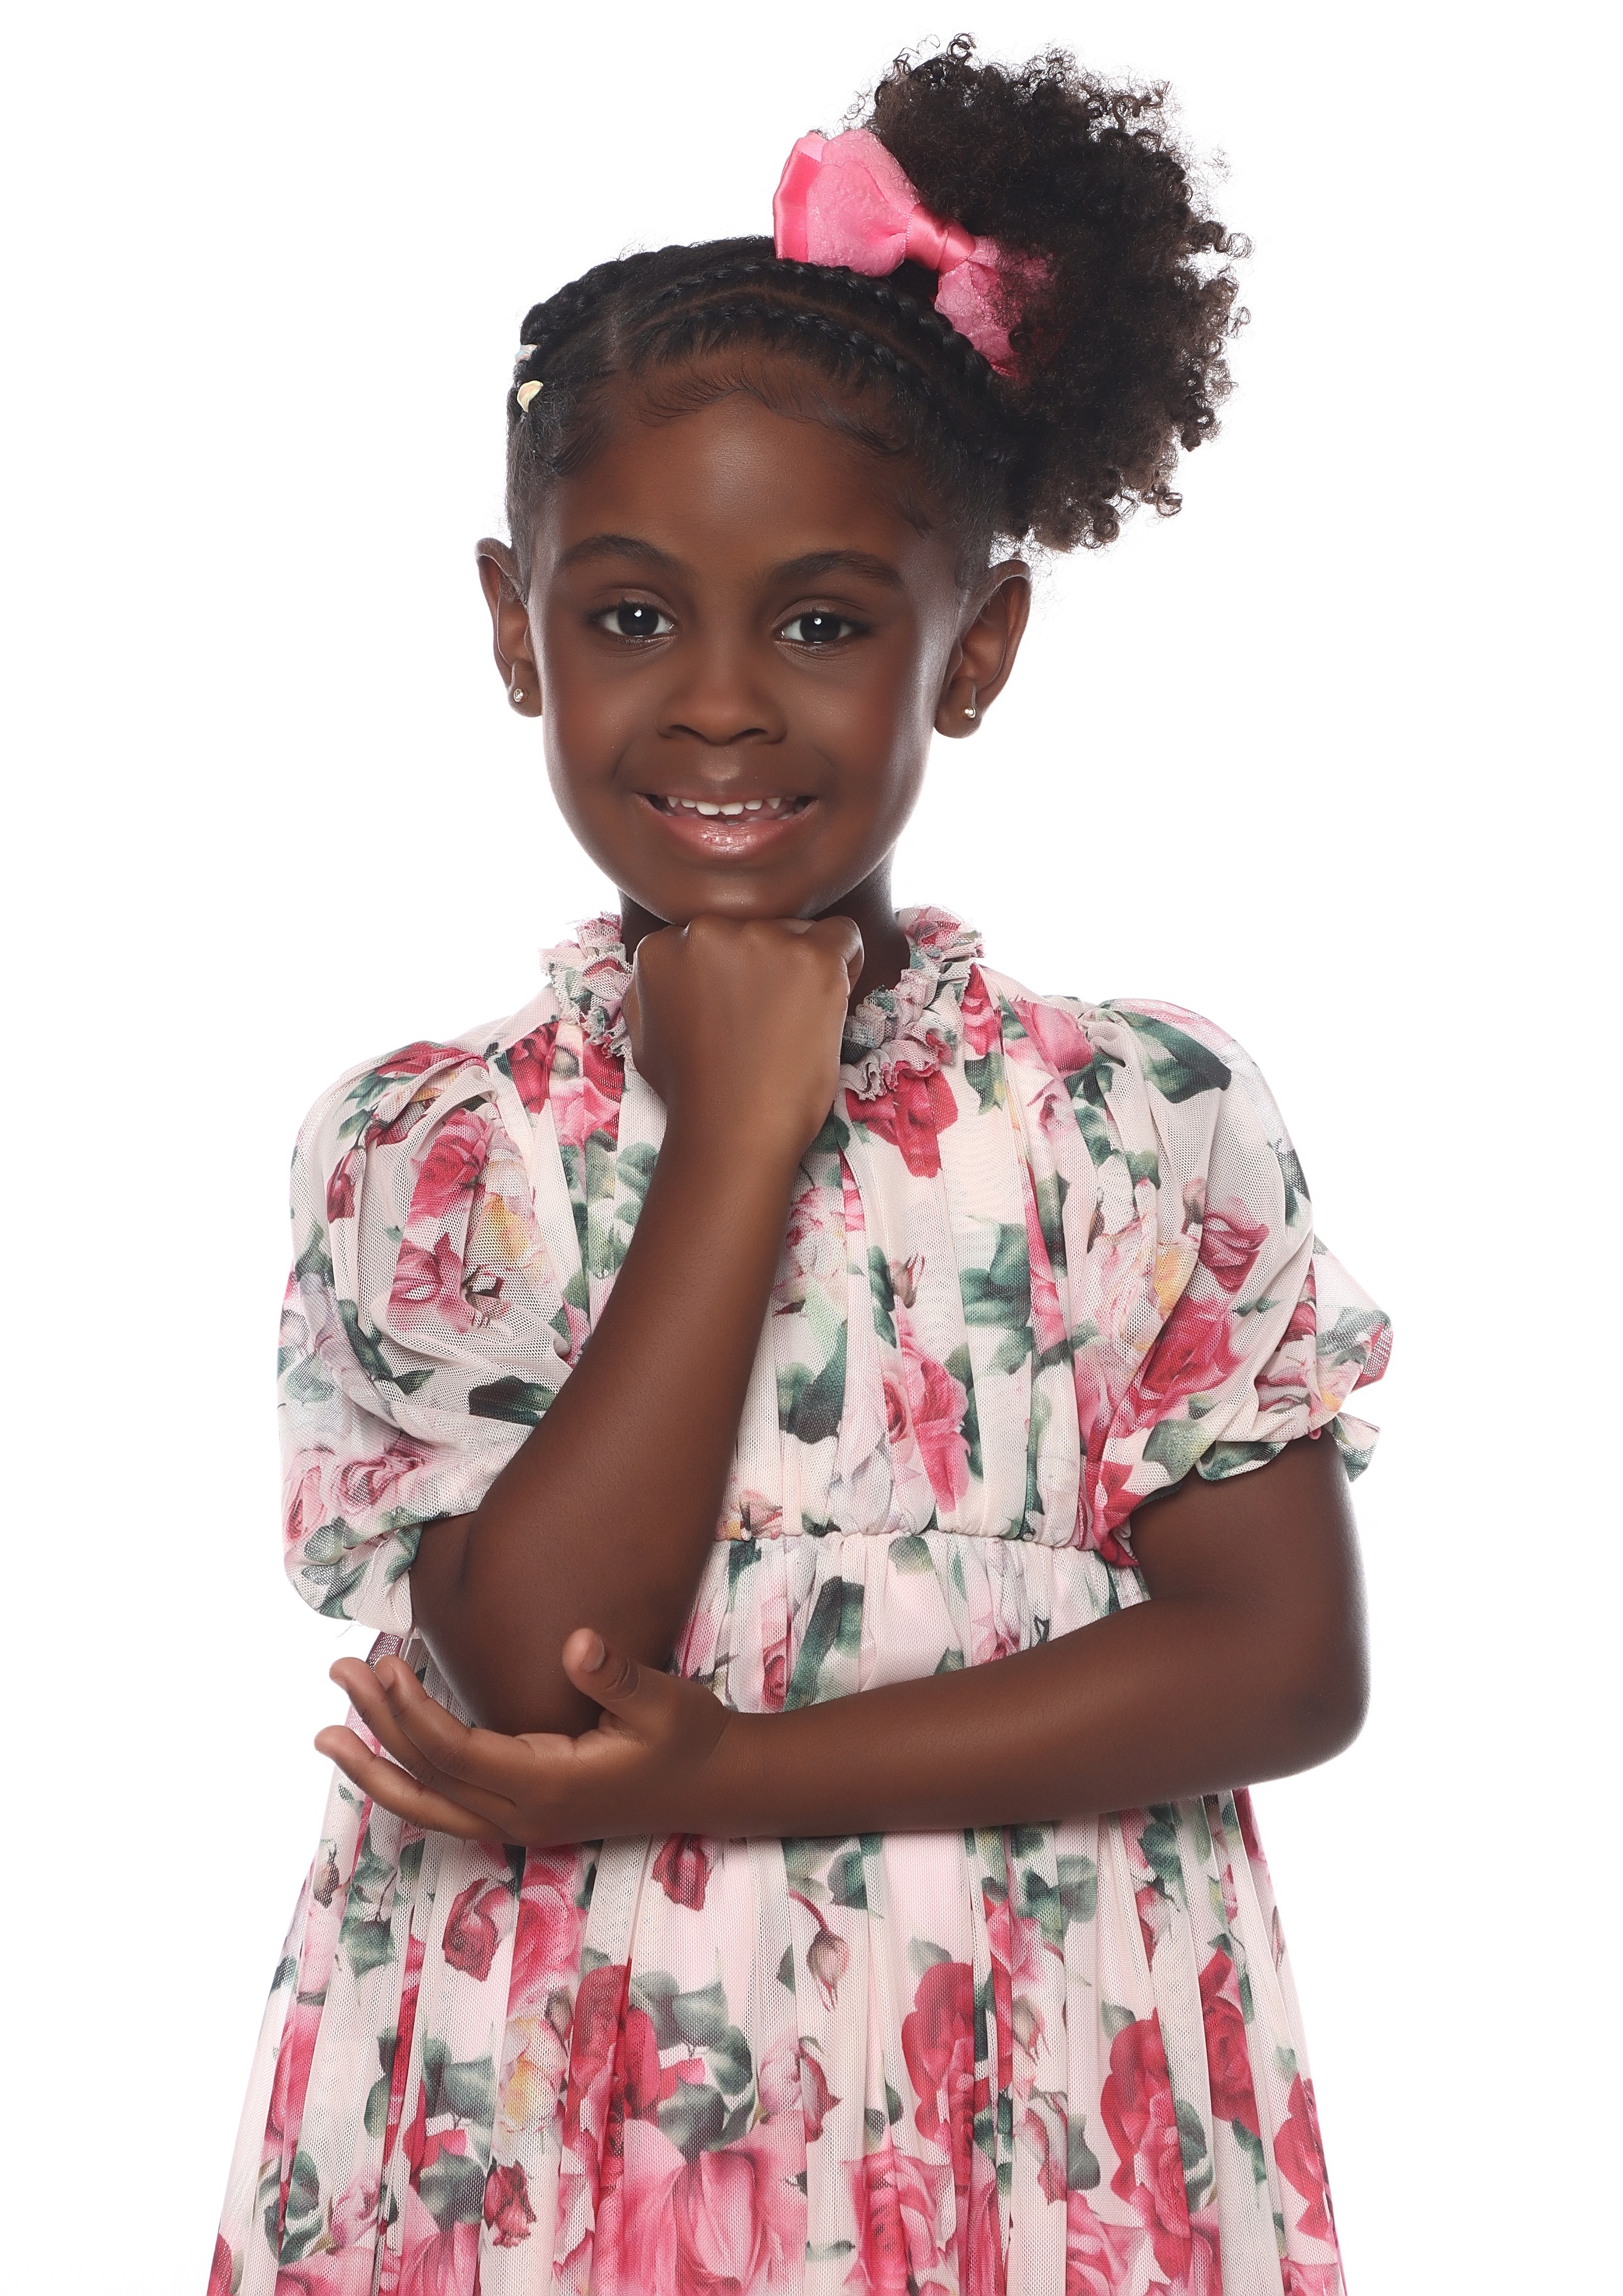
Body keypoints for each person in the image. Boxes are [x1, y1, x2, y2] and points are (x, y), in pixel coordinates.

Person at [212, 39, 1390, 2296]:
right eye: (629, 615)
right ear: (511, 625)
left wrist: (720, 1779)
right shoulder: (434, 1150)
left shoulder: (1138, 1117)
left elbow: (1281, 1661)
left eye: (826, 622)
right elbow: (528, 1675)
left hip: (1037, 2091)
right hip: (549, 2110)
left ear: (978, 648)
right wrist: (739, 1134)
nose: (724, 700)